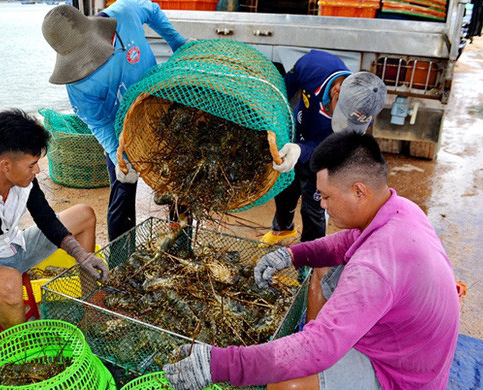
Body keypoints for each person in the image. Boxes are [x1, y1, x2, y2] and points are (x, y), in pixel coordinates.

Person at [164, 131, 460, 390]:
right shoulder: (401, 209)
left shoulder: (374, 267)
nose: (321, 204)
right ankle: (314, 344)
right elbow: (348, 242)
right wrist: (291, 254)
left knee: (288, 383)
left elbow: (321, 346)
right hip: (406, 348)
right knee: (323, 269)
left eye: (326, 197)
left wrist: (220, 364)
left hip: (400, 377)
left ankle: (315, 358)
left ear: (359, 191)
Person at [0, 109, 109, 383]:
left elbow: (45, 218)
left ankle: (90, 307)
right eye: (32, 164)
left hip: (15, 245)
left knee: (85, 214)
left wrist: (80, 254)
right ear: (5, 164)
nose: (38, 170)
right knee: (9, 285)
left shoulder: (24, 181)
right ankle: (20, 354)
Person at [42, 0, 189, 241]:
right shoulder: (76, 86)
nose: (89, 62)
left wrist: (175, 40)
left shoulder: (126, 13)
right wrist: (117, 155)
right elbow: (98, 123)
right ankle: (122, 260)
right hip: (119, 132)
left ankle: (181, 243)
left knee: (177, 184)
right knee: (122, 191)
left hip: (159, 112)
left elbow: (152, 10)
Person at [261, 51, 387, 246]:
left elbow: (324, 148)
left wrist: (300, 151)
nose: (344, 125)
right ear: (337, 90)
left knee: (314, 208)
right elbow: (285, 88)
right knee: (285, 189)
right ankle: (282, 229)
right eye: (341, 113)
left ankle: (309, 257)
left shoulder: (357, 121)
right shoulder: (315, 65)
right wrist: (276, 117)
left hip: (320, 157)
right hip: (295, 132)